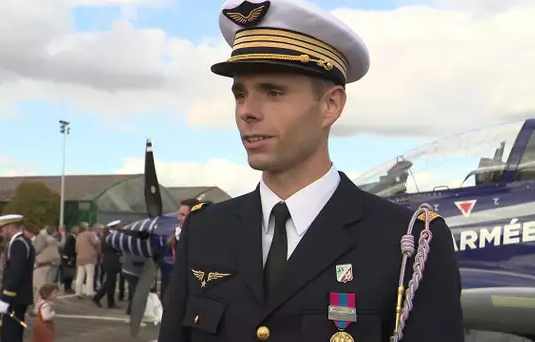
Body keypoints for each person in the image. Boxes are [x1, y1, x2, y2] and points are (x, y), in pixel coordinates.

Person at [157, 0, 464, 341]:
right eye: (240, 94)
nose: (247, 111)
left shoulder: (407, 243)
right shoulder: (204, 232)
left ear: (331, 105)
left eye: (273, 92)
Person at [0, 214, 35, 342]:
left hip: (14, 298)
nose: (1, 234)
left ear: (10, 228)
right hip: (18, 296)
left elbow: (15, 272)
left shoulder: (18, 244)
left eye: (2, 230)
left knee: (10, 335)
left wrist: (6, 297)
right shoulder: (22, 242)